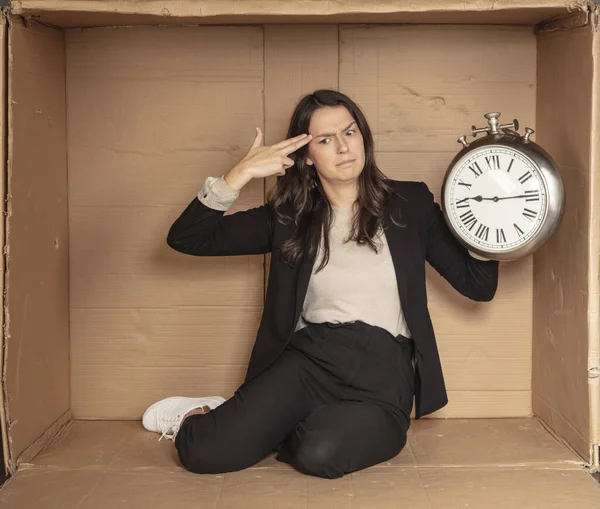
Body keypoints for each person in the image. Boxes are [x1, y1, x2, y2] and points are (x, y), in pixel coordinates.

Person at [142, 89, 499, 479]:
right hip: (309, 361)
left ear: (364, 136)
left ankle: (268, 422)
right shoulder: (287, 218)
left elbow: (478, 285)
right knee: (204, 452)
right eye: (326, 140)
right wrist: (239, 173)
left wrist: (495, 221)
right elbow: (187, 238)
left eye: (350, 132)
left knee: (320, 454)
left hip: (383, 372)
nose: (344, 147)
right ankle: (208, 413)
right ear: (307, 157)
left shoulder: (409, 204)